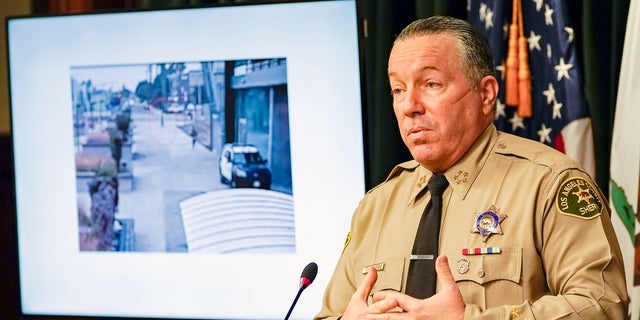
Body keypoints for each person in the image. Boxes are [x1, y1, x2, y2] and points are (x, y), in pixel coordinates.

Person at [314, 16, 628, 319]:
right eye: (398, 89)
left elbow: (603, 305)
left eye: (431, 83)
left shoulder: (548, 184)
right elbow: (331, 314)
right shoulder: (376, 205)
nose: (410, 106)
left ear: (486, 94)